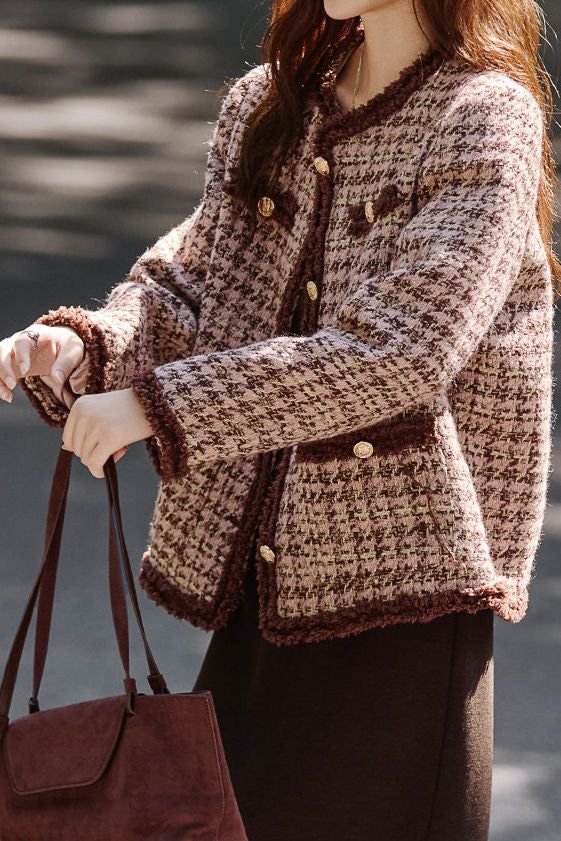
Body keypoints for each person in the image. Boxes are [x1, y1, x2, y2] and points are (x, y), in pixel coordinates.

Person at [0, 1, 557, 839]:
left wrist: (159, 404)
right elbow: (191, 289)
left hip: (405, 602)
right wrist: (89, 348)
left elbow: (400, 353)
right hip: (263, 600)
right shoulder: (273, 104)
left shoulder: (481, 118)